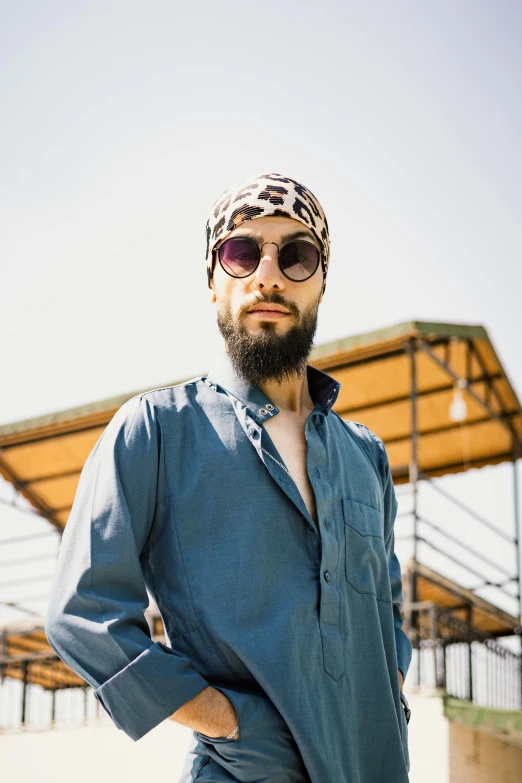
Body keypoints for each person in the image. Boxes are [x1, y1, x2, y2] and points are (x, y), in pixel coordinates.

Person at [45, 172, 412, 783]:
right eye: (243, 252)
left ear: (321, 284)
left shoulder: (365, 455)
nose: (268, 274)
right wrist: (226, 721)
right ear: (214, 283)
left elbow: (389, 612)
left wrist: (388, 690)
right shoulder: (158, 431)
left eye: (296, 255)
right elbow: (82, 612)